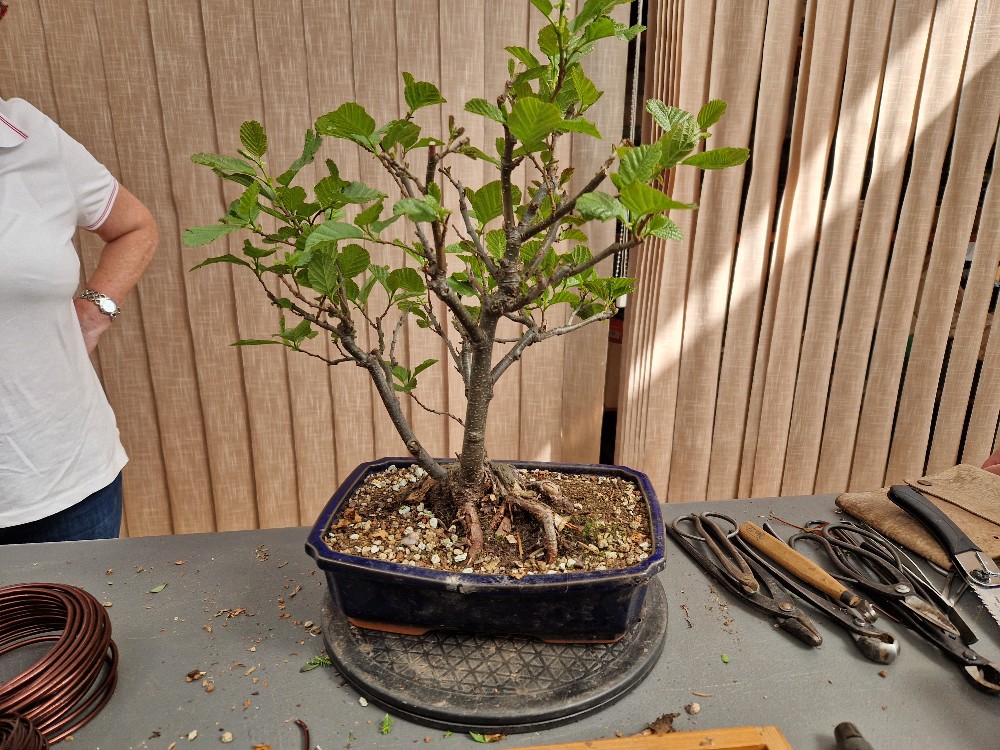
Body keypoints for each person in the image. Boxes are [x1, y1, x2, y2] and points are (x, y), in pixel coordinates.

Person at [0, 3, 158, 543]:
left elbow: (134, 227)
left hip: (70, 483)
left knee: (86, 603)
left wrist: (95, 313)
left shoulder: (29, 137)